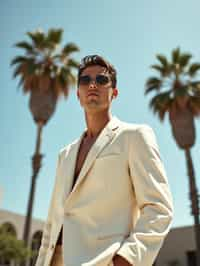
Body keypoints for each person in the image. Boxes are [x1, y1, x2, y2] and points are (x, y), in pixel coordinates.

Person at [35, 55, 173, 266]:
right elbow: (53, 221)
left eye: (101, 80)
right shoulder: (65, 154)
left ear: (114, 93)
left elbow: (158, 208)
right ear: (78, 95)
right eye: (85, 80)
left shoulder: (135, 136)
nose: (92, 84)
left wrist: (126, 260)